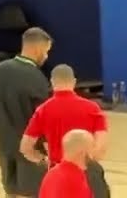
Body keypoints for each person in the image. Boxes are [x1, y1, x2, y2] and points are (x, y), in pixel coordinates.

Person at [20, 64, 110, 198]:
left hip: (58, 173)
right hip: (89, 173)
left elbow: (25, 148)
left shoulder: (43, 110)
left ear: (52, 82)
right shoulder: (92, 108)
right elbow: (100, 148)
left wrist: (43, 160)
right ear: (74, 81)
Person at [0, 27, 53, 198]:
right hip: (31, 147)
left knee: (11, 191)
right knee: (35, 192)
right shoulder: (36, 77)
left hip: (3, 142)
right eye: (46, 51)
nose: (46, 56)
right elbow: (43, 116)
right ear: (37, 49)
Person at [38, 130, 95, 198]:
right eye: (91, 150)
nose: (92, 156)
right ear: (83, 153)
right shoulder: (76, 179)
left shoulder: (51, 174)